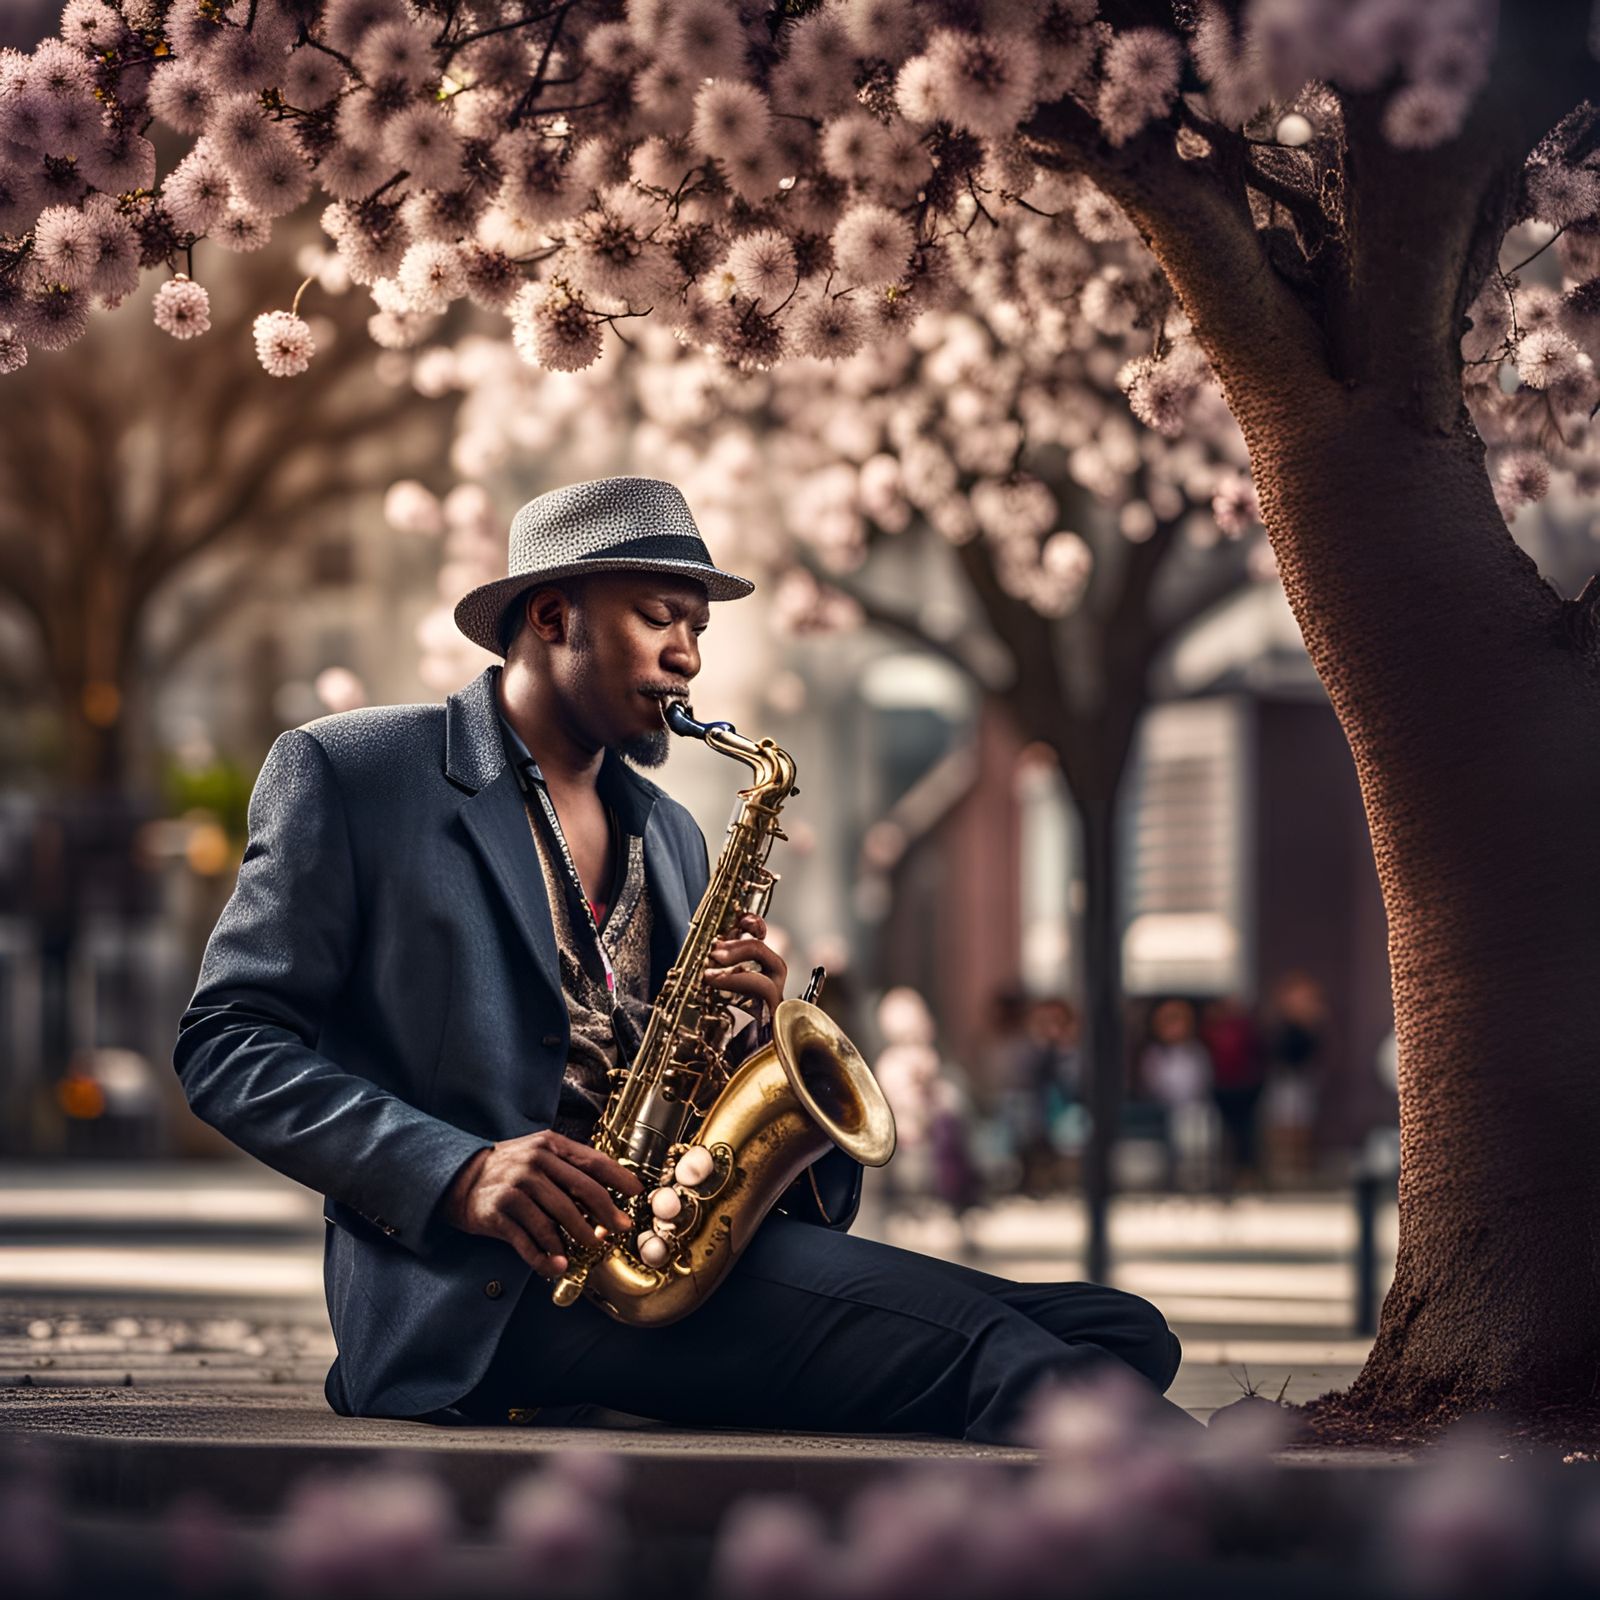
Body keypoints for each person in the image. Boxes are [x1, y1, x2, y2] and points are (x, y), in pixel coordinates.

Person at [173, 476, 1189, 1444]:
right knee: (1005, 1355)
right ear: (552, 614)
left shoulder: (668, 834)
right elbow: (226, 1043)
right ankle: (1249, 1508)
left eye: (698, 628)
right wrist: (461, 1171)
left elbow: (686, 1102)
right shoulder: (356, 772)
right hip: (486, 1300)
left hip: (654, 1262)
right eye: (661, 615)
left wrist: (748, 1041)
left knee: (1119, 1330)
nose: (688, 655)